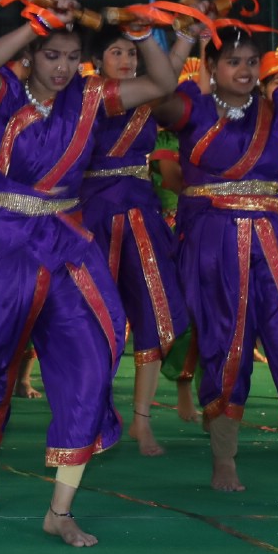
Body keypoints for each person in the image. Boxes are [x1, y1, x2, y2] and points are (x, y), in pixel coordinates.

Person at [0, 1, 178, 544]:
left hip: (68, 242)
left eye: (72, 58)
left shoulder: (91, 98)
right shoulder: (3, 96)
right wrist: (35, 22)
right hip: (5, 239)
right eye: (51, 56)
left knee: (92, 356)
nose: (61, 67)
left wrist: (142, 29)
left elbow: (162, 81)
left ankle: (61, 508)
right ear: (30, 56)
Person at [149, 10, 278, 495]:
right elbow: (155, 94)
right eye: (233, 61)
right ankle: (224, 461)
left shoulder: (276, 110)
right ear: (211, 66)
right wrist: (180, 42)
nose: (245, 70)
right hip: (213, 244)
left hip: (276, 241)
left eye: (252, 61)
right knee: (225, 347)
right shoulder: (191, 107)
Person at [78, 24, 188, 456]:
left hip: (140, 211)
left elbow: (170, 72)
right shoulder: (87, 95)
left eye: (131, 53)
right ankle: (90, 417)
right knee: (91, 319)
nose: (125, 61)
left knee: (153, 311)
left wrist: (187, 37)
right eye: (116, 53)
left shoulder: (148, 96)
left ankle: (142, 422)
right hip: (94, 215)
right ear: (98, 61)